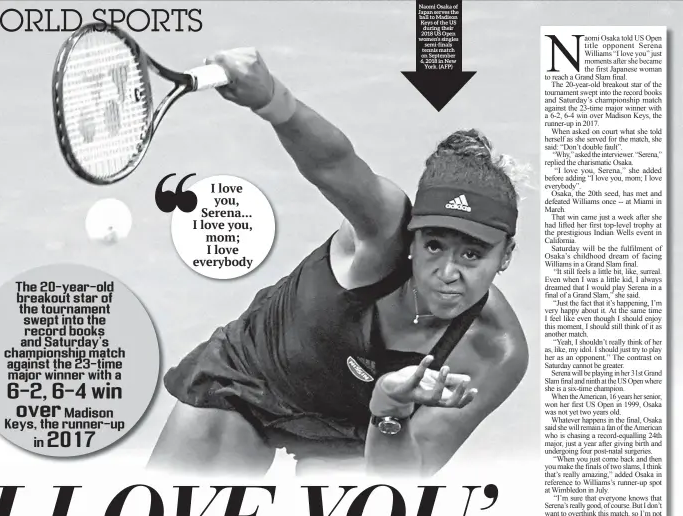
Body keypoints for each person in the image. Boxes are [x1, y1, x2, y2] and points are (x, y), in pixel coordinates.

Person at [148, 48, 529, 477]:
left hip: (352, 434)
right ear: (413, 235)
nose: (446, 272)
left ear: (506, 256)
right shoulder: (384, 230)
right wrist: (272, 99)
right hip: (252, 384)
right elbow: (334, 164)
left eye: (473, 255)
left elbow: (403, 476)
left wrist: (390, 409)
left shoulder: (493, 350)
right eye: (434, 245)